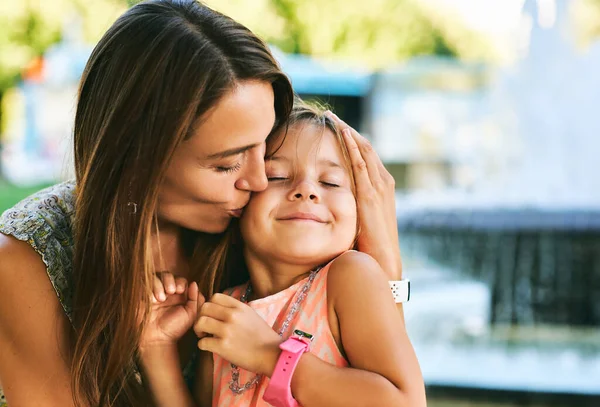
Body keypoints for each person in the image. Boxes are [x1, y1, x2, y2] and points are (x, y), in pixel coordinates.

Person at [0, 1, 404, 406]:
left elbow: (392, 385)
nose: (260, 180)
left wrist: (385, 260)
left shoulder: (267, 230)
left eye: (264, 150)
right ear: (138, 158)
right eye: (227, 164)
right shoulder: (30, 259)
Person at [145, 101, 425, 407]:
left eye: (330, 182)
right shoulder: (225, 312)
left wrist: (270, 354)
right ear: (241, 201)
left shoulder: (349, 278)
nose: (306, 190)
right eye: (277, 176)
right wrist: (156, 350)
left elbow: (405, 402)